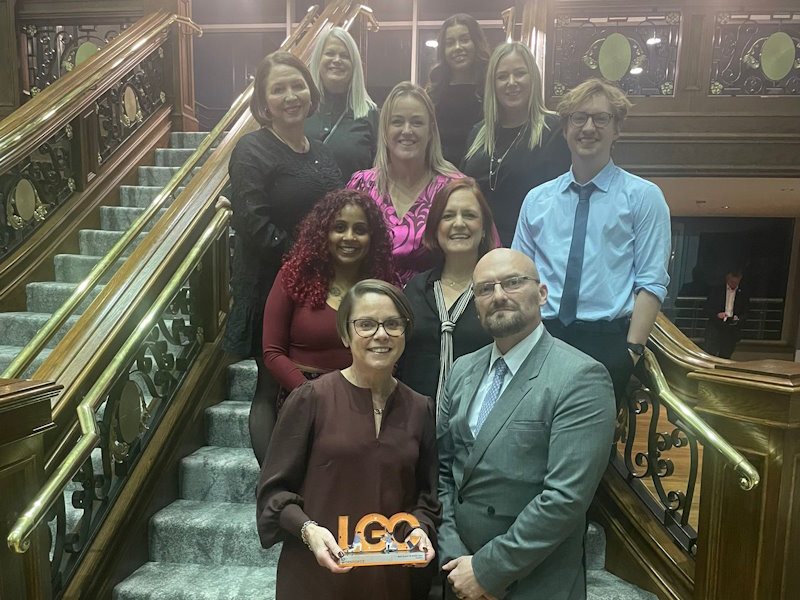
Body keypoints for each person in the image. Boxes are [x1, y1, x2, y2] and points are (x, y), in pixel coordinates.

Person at [437, 248, 616, 600]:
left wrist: (488, 571)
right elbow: (443, 470)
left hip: (532, 580)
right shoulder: (461, 370)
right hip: (459, 573)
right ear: (476, 306)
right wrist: (453, 553)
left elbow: (564, 499)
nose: (499, 295)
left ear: (542, 293)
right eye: (485, 289)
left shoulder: (581, 377)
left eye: (513, 282)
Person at [256, 279, 441, 600]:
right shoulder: (310, 399)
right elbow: (273, 491)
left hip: (389, 581)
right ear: (345, 334)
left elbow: (427, 495)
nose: (381, 334)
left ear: (405, 333)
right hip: (316, 575)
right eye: (366, 324)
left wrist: (419, 527)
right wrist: (308, 530)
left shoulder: (420, 407)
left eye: (393, 324)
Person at [512, 78, 671, 405]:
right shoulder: (537, 200)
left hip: (607, 343)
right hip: (541, 336)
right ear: (566, 128)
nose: (588, 127)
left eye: (601, 118)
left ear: (617, 129)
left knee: (589, 452)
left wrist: (631, 352)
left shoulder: (643, 198)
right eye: (578, 118)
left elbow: (651, 282)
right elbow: (520, 277)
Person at [223, 50, 343, 452]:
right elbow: (253, 223)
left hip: (321, 284)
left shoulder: (324, 151)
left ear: (310, 91)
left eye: (297, 85)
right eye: (278, 89)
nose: (291, 95)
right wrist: (306, 260)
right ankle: (274, 488)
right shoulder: (251, 150)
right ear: (264, 102)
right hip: (267, 282)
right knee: (269, 384)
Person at [255, 189, 396, 464]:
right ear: (323, 233)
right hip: (302, 399)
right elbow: (272, 353)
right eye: (339, 228)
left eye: (360, 230)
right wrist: (316, 398)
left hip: (364, 403)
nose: (349, 238)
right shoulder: (293, 277)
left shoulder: (383, 286)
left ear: (373, 238)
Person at [347, 82, 462, 286]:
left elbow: (483, 254)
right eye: (397, 122)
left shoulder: (455, 189)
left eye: (417, 122)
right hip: (369, 309)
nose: (407, 130)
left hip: (435, 310)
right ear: (384, 130)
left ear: (431, 131)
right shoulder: (361, 186)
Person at [397, 178, 496, 409]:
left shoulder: (497, 292)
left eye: (469, 215)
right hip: (414, 422)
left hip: (478, 423)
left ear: (483, 230)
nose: (459, 224)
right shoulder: (415, 290)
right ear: (435, 228)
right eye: (448, 216)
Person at [462, 42, 571, 246]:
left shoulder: (555, 130)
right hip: (479, 250)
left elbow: (563, 204)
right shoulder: (478, 134)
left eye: (520, 73)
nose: (511, 82)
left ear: (533, 78)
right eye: (502, 76)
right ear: (492, 84)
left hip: (533, 248)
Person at [306, 27, 379, 180]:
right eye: (330, 53)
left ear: (354, 65)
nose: (337, 60)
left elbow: (380, 174)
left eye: (345, 56)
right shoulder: (301, 110)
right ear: (318, 60)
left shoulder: (371, 114)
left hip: (353, 203)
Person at [426, 14, 491, 166]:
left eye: (464, 40)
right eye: (450, 43)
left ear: (476, 43)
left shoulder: (492, 92)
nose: (457, 48)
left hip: (482, 178)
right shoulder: (432, 97)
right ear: (443, 50)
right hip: (440, 179)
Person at [703, 267, 750, 359]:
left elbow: (746, 311)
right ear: (727, 279)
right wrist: (717, 315)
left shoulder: (743, 293)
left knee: (726, 354)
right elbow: (707, 308)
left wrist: (739, 318)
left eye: (736, 283)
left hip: (731, 328)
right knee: (711, 353)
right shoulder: (716, 291)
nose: (734, 284)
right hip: (716, 326)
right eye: (732, 282)